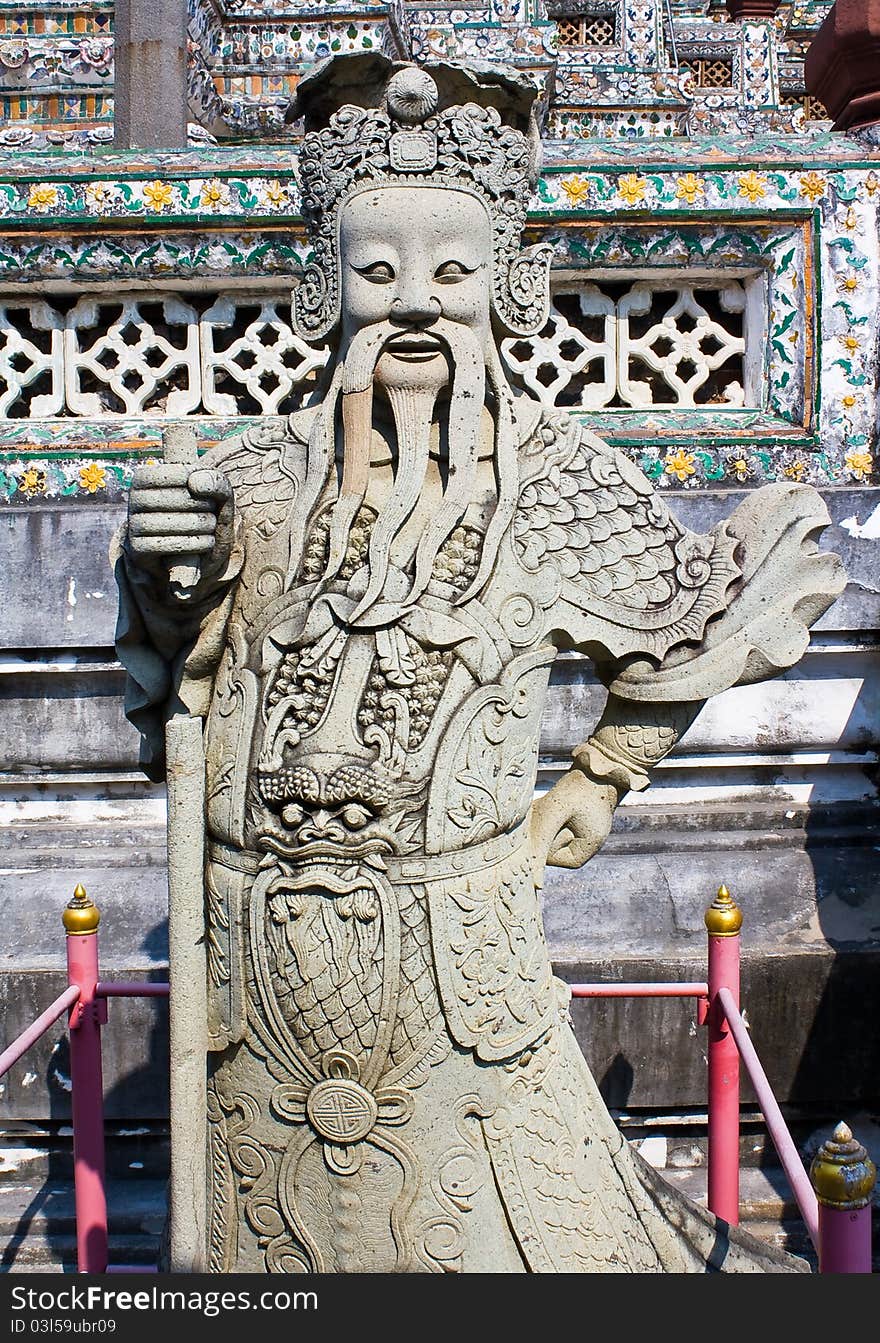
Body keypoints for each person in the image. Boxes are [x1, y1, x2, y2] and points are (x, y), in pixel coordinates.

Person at [114, 53, 842, 1272]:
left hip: (458, 967)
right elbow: (175, 675)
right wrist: (167, 566)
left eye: (450, 276)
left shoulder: (554, 480)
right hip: (255, 969)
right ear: (318, 292)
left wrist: (601, 773)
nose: (412, 305)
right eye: (377, 272)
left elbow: (731, 595)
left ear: (511, 286)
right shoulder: (253, 476)